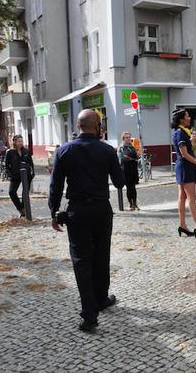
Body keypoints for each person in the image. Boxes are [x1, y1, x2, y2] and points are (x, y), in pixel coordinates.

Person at [48, 110, 125, 333]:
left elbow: (56, 187)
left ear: (79, 126)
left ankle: (90, 314)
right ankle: (101, 298)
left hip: (77, 211)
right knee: (102, 255)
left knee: (81, 261)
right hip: (101, 210)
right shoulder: (107, 150)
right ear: (98, 126)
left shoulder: (64, 150)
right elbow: (120, 183)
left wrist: (54, 212)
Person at [171, 109, 196, 239]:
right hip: (185, 167)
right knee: (191, 199)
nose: (189, 117)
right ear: (182, 119)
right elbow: (184, 154)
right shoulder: (180, 134)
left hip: (182, 166)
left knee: (182, 197)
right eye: (187, 116)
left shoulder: (182, 132)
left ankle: (182, 225)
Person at [5, 135, 34, 218]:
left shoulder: (26, 151)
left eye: (22, 141)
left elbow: (31, 163)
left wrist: (32, 174)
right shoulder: (9, 152)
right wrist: (10, 174)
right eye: (19, 141)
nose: (21, 143)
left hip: (26, 175)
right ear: (14, 142)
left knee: (25, 194)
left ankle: (25, 212)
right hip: (15, 176)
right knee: (11, 192)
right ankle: (21, 208)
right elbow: (6, 165)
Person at [117, 132, 139, 211]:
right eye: (126, 137)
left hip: (133, 169)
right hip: (126, 169)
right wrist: (131, 158)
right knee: (129, 187)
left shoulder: (132, 147)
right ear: (123, 139)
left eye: (129, 137)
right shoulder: (121, 147)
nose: (129, 139)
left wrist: (130, 157)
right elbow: (122, 158)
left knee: (133, 187)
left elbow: (136, 156)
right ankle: (131, 204)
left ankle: (135, 203)